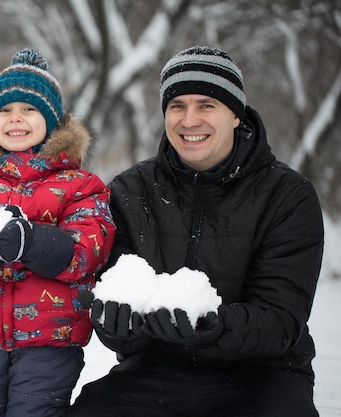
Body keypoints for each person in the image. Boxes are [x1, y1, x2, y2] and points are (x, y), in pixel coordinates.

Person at [68, 46, 324, 417]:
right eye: (177, 106)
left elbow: (281, 318)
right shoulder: (130, 191)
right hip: (155, 372)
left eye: (207, 105)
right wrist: (116, 325)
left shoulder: (287, 195)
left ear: (235, 114)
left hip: (264, 374)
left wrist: (212, 327)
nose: (190, 120)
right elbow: (116, 297)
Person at [0, 48, 115, 417]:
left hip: (51, 340)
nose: (16, 119)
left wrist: (34, 241)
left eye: (29, 110)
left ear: (52, 120)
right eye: (6, 111)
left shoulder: (80, 186)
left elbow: (90, 246)